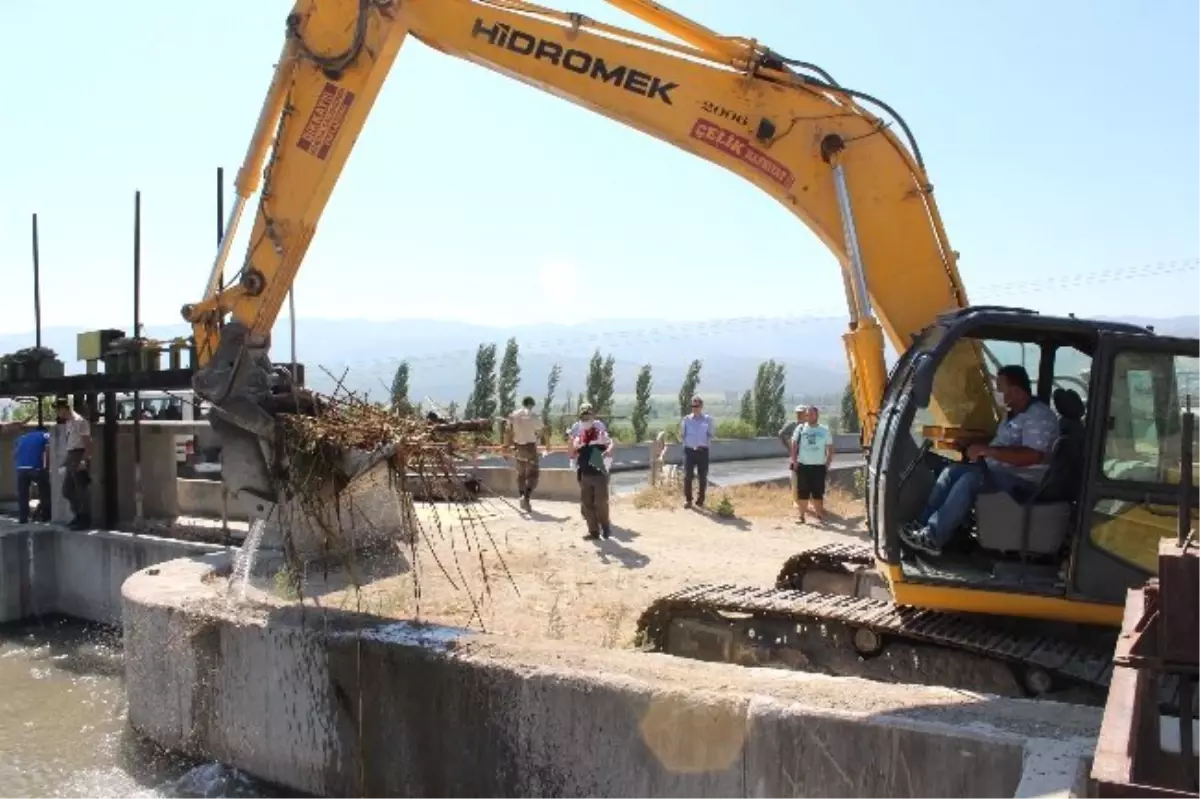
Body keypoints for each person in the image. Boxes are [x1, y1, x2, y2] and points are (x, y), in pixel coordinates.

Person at [900, 364, 1059, 556]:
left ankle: (933, 537)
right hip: (1002, 473)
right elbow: (1004, 443)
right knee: (952, 471)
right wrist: (972, 443)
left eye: (1001, 387)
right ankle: (921, 524)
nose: (998, 392)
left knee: (971, 480)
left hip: (1024, 482)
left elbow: (1032, 456)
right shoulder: (1014, 414)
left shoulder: (1038, 416)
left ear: (1016, 390)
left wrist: (988, 451)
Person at [569, 407, 614, 540]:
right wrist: (573, 459)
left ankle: (605, 527)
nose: (585, 421)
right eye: (583, 419)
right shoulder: (580, 436)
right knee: (587, 503)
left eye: (588, 418)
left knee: (601, 502)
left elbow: (611, 443)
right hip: (585, 473)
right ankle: (593, 531)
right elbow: (575, 448)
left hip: (599, 473)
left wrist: (608, 454)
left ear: (592, 420)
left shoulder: (599, 434)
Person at [791, 405, 834, 523]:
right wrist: (794, 461)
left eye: (811, 414)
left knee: (818, 492)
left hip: (819, 467)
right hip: (803, 465)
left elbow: (830, 448)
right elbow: (794, 446)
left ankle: (819, 514)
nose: (808, 416)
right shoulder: (800, 429)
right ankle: (801, 516)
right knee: (802, 492)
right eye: (807, 414)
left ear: (817, 415)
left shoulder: (824, 430)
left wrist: (827, 464)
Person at [56, 397, 92, 530]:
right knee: (67, 490)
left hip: (79, 454)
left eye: (59, 409)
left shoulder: (80, 422)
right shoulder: (69, 423)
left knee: (81, 489)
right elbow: (70, 444)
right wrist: (65, 462)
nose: (58, 413)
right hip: (71, 455)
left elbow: (88, 442)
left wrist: (84, 460)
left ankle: (84, 518)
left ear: (65, 408)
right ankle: (78, 514)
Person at [506, 395, 543, 512]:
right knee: (533, 473)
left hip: (518, 447)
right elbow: (540, 429)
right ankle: (526, 497)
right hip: (530, 447)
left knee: (521, 473)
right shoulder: (532, 415)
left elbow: (508, 430)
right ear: (531, 404)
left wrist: (507, 445)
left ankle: (521, 494)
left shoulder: (514, 414)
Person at [679, 395, 715, 509]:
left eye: (696, 406)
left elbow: (711, 434)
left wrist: (705, 443)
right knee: (688, 476)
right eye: (692, 406)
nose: (694, 408)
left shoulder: (708, 420)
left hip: (703, 451)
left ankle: (700, 501)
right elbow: (682, 434)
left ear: (701, 406)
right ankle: (688, 500)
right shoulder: (686, 419)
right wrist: (687, 443)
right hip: (689, 451)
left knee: (702, 477)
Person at [13, 424, 51, 524]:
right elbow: (48, 449)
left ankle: (23, 518)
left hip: (20, 468)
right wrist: (47, 466)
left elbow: (15, 454)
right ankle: (45, 516)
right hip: (35, 468)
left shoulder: (22, 437)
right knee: (45, 489)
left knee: (23, 494)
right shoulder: (45, 435)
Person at [780, 405, 807, 508]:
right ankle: (796, 500)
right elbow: (781, 434)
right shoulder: (792, 425)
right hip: (795, 456)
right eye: (798, 413)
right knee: (794, 478)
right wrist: (788, 447)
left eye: (802, 413)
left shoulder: (809, 426)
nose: (799, 415)